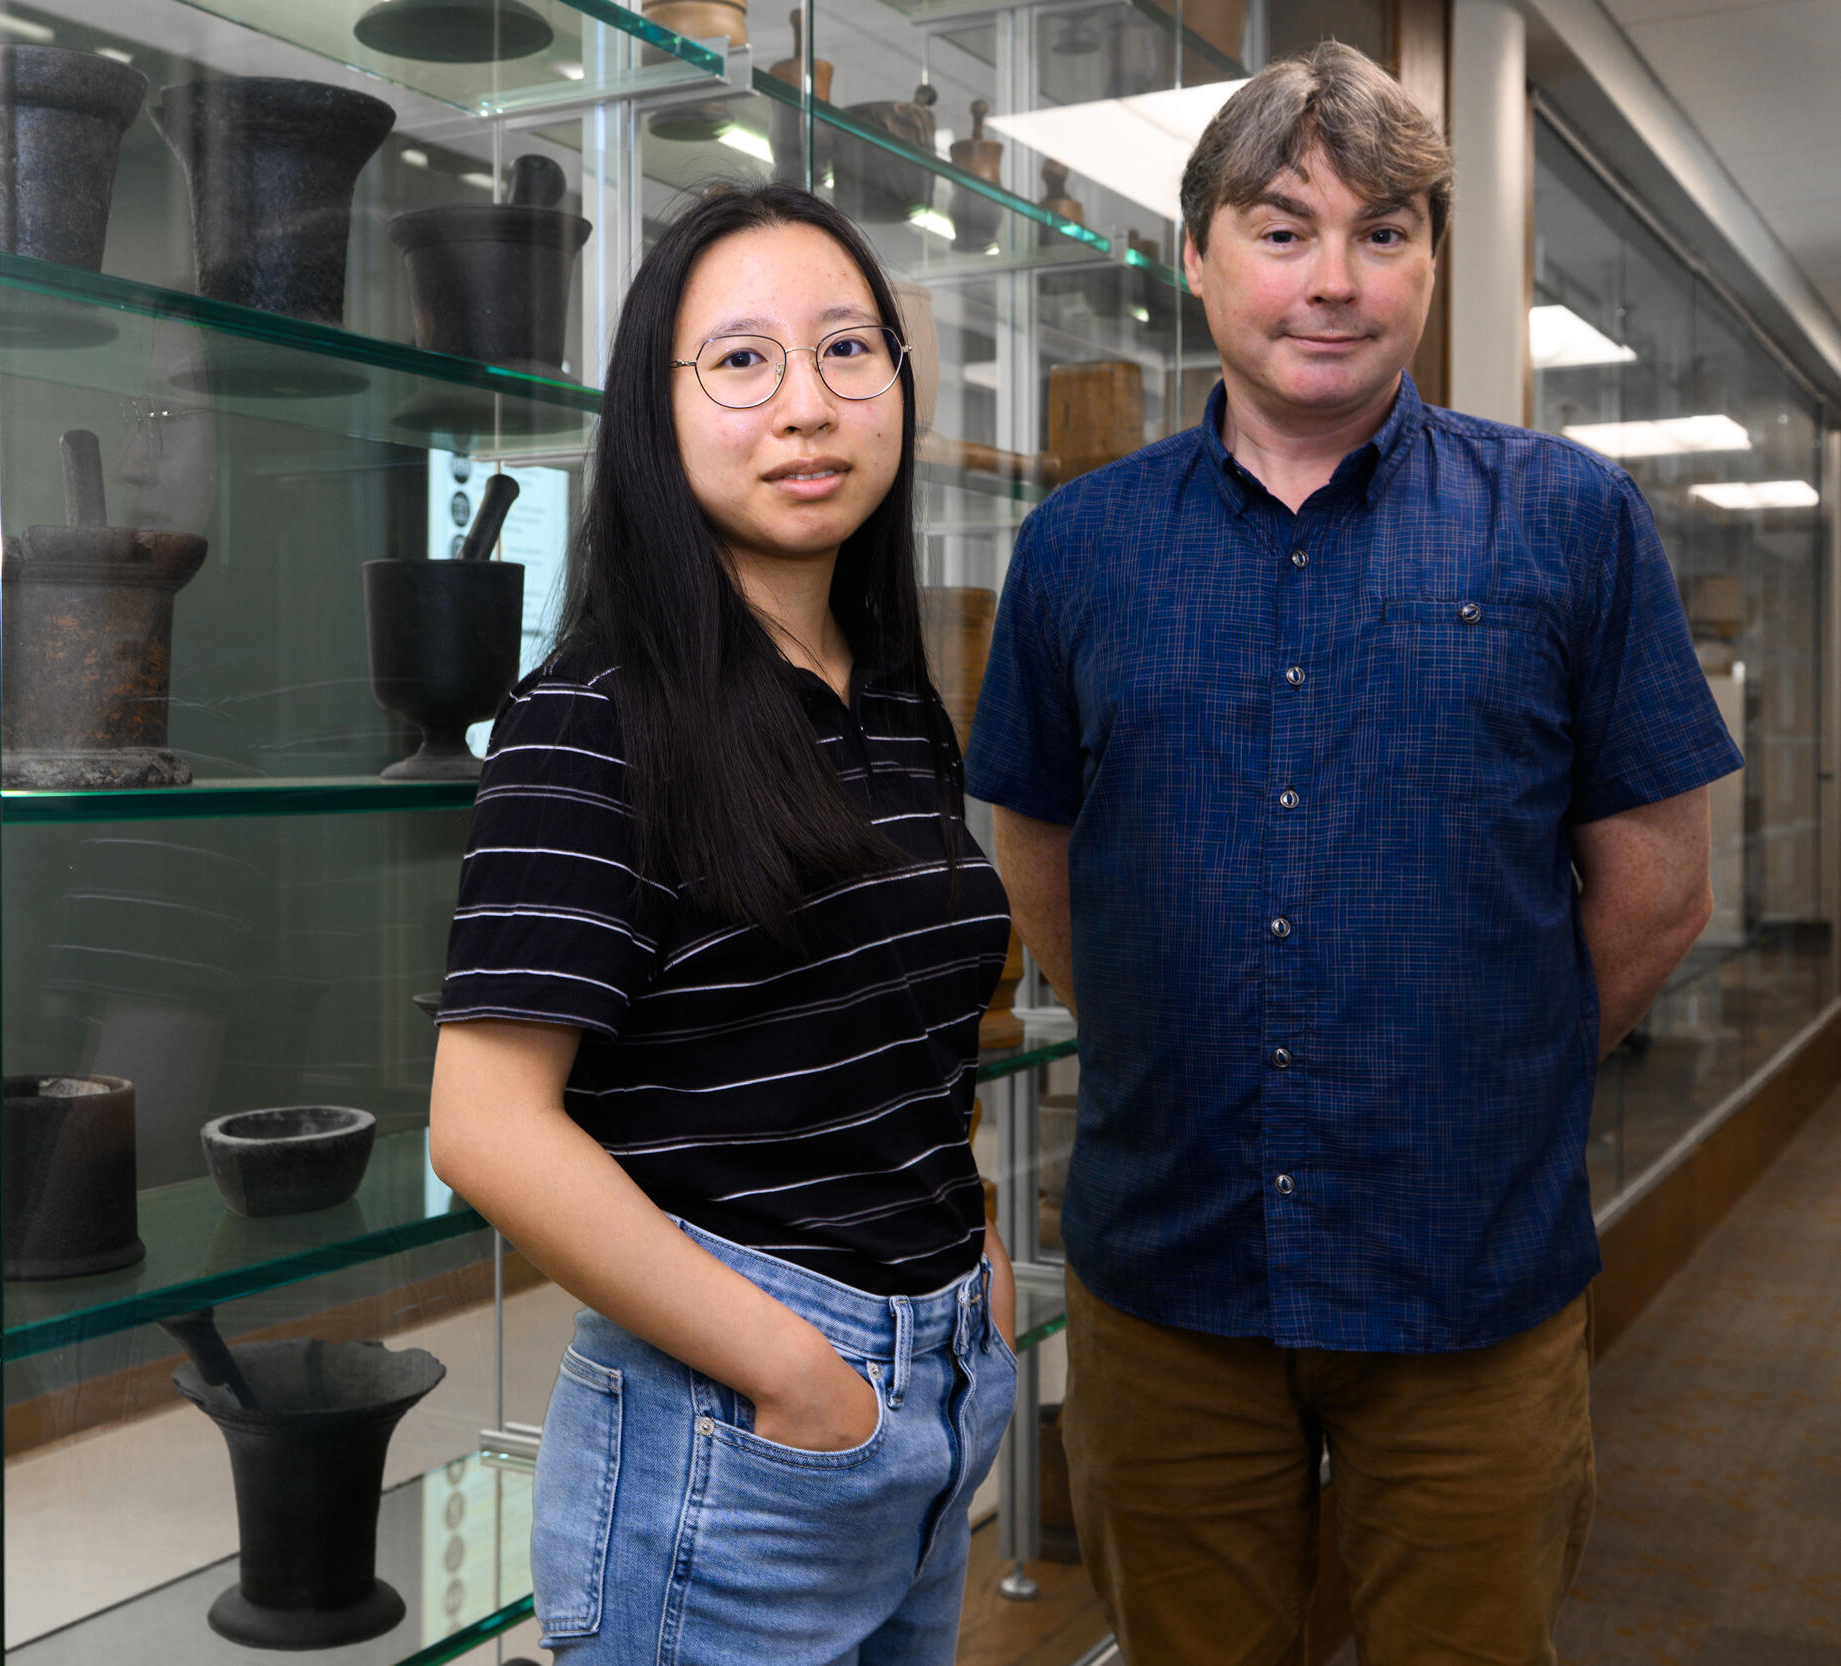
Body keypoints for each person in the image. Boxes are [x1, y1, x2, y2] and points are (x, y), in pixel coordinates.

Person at [966, 42, 1740, 1666]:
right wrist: (1184, 1034)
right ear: (1197, 256)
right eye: (1281, 227)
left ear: (1432, 262)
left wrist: (1481, 1058)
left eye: (1383, 232)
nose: (1334, 280)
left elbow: (1661, 891)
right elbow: (1038, 847)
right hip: (1167, 1285)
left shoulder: (1569, 523)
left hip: (1468, 1281)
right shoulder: (1081, 549)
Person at [428, 182, 1017, 1666]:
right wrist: (797, 1372)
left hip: (931, 1392)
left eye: (845, 351)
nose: (806, 406)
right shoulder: (593, 714)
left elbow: (911, 1029)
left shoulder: (886, 691)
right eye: (742, 361)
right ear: (658, 410)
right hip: (738, 1436)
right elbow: (485, 1124)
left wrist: (980, 1255)